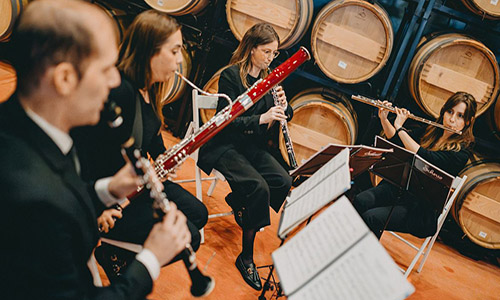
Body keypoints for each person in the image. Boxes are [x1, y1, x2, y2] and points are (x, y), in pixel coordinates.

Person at [0, 0, 191, 299]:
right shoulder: (35, 200)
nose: (115, 80)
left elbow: (65, 190)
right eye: (105, 69)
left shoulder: (28, 129)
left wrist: (108, 189)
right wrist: (151, 258)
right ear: (64, 79)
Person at [73, 9, 208, 272]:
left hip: (135, 184)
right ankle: (125, 269)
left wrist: (165, 160)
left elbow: (152, 141)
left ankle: (115, 255)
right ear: (149, 51)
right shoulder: (121, 90)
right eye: (174, 51)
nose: (180, 60)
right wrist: (96, 205)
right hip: (110, 198)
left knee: (198, 214)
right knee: (188, 236)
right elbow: (82, 151)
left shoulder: (152, 88)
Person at [198, 23, 293, 290]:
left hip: (251, 147)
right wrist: (262, 118)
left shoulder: (270, 78)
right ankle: (246, 257)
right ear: (251, 49)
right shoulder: (231, 76)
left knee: (283, 181)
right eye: (266, 51)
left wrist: (284, 107)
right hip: (225, 144)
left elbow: (288, 114)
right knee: (258, 187)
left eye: (274, 54)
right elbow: (224, 121)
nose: (270, 58)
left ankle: (239, 202)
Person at [353, 92, 477, 239]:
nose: (451, 119)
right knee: (360, 200)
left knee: (372, 217)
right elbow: (399, 143)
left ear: (468, 121)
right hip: (398, 190)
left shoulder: (462, 152)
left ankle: (362, 256)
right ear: (444, 111)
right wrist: (384, 119)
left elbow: (426, 157)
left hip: (419, 209)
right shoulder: (430, 132)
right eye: (450, 112)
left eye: (460, 116)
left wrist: (399, 127)